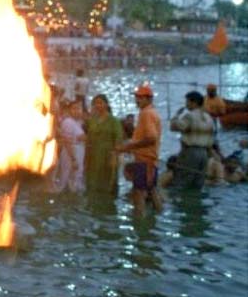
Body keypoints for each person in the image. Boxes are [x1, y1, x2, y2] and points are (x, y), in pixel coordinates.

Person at [116, 84, 163, 213]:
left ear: (149, 99)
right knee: (152, 190)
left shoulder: (146, 114)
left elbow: (151, 138)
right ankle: (157, 216)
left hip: (144, 160)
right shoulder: (152, 112)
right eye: (136, 97)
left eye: (141, 98)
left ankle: (139, 223)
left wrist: (127, 147)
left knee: (139, 193)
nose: (137, 100)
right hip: (150, 159)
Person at [169, 91, 215, 189]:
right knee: (198, 183)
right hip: (204, 153)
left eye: (187, 101)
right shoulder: (209, 118)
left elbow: (174, 127)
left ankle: (185, 202)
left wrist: (176, 115)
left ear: (194, 102)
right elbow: (211, 139)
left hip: (190, 152)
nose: (186, 104)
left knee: (183, 180)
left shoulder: (189, 116)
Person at [84, 94, 124, 195]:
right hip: (93, 155)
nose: (98, 105)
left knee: (108, 182)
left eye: (100, 103)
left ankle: (108, 206)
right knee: (93, 181)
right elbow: (88, 138)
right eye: (96, 103)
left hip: (108, 155)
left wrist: (115, 155)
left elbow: (118, 138)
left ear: (106, 104)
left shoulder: (114, 121)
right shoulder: (91, 120)